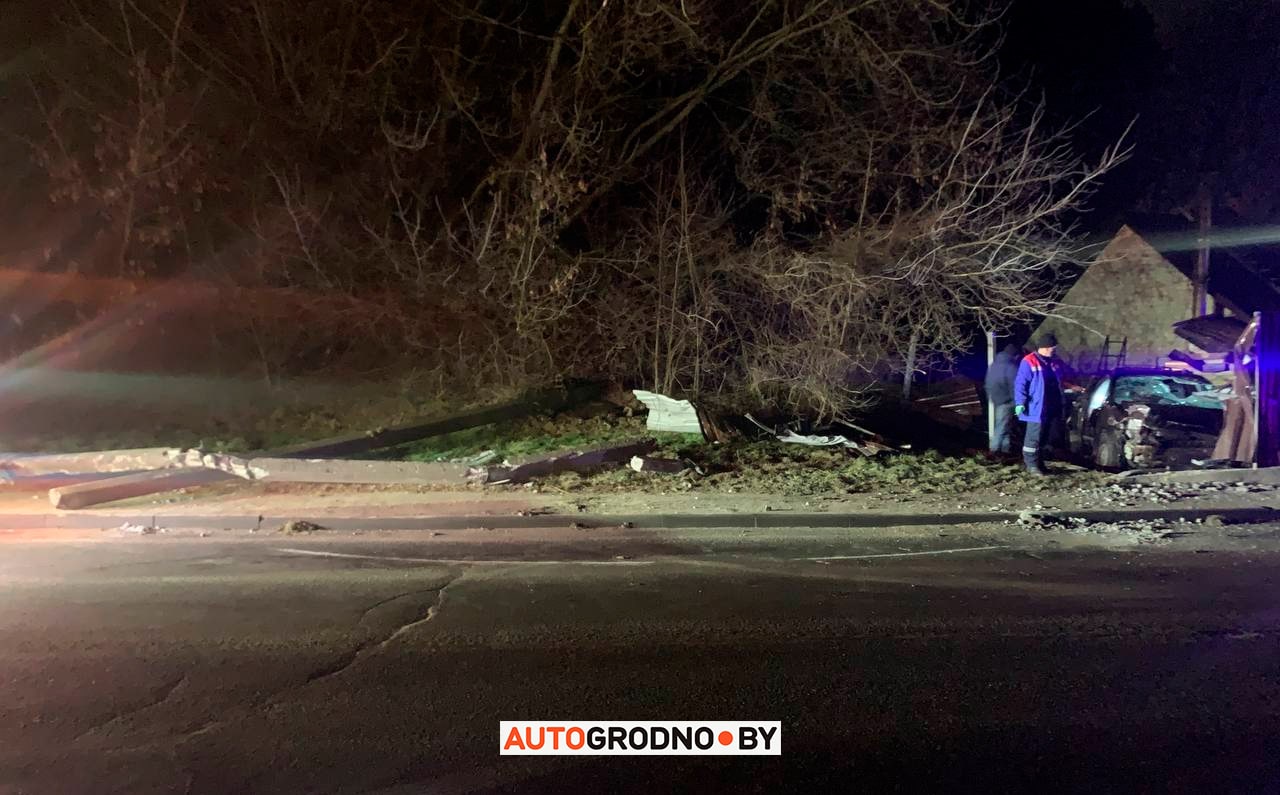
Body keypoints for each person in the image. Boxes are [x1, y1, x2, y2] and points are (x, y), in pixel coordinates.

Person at [1014, 332, 1067, 475]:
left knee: (1043, 437)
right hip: (1036, 407)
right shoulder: (1029, 361)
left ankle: (1039, 463)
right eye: (1052, 347)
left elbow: (1058, 381)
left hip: (1050, 406)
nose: (1054, 350)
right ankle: (1031, 466)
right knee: (1033, 438)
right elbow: (1020, 383)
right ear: (1045, 347)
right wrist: (1020, 402)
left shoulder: (1053, 361)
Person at [984, 343, 1021, 456]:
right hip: (1007, 401)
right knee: (1002, 426)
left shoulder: (994, 365)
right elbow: (1015, 386)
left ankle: (1005, 450)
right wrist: (1017, 404)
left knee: (1005, 425)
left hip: (996, 399)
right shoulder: (1011, 367)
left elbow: (988, 383)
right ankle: (994, 450)